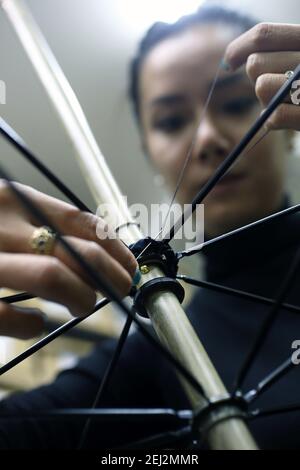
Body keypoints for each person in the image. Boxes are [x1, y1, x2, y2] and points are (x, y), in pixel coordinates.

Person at [1, 5, 300, 449]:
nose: (206, 139)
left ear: (290, 127)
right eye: (172, 121)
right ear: (150, 153)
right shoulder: (161, 347)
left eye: (236, 104)